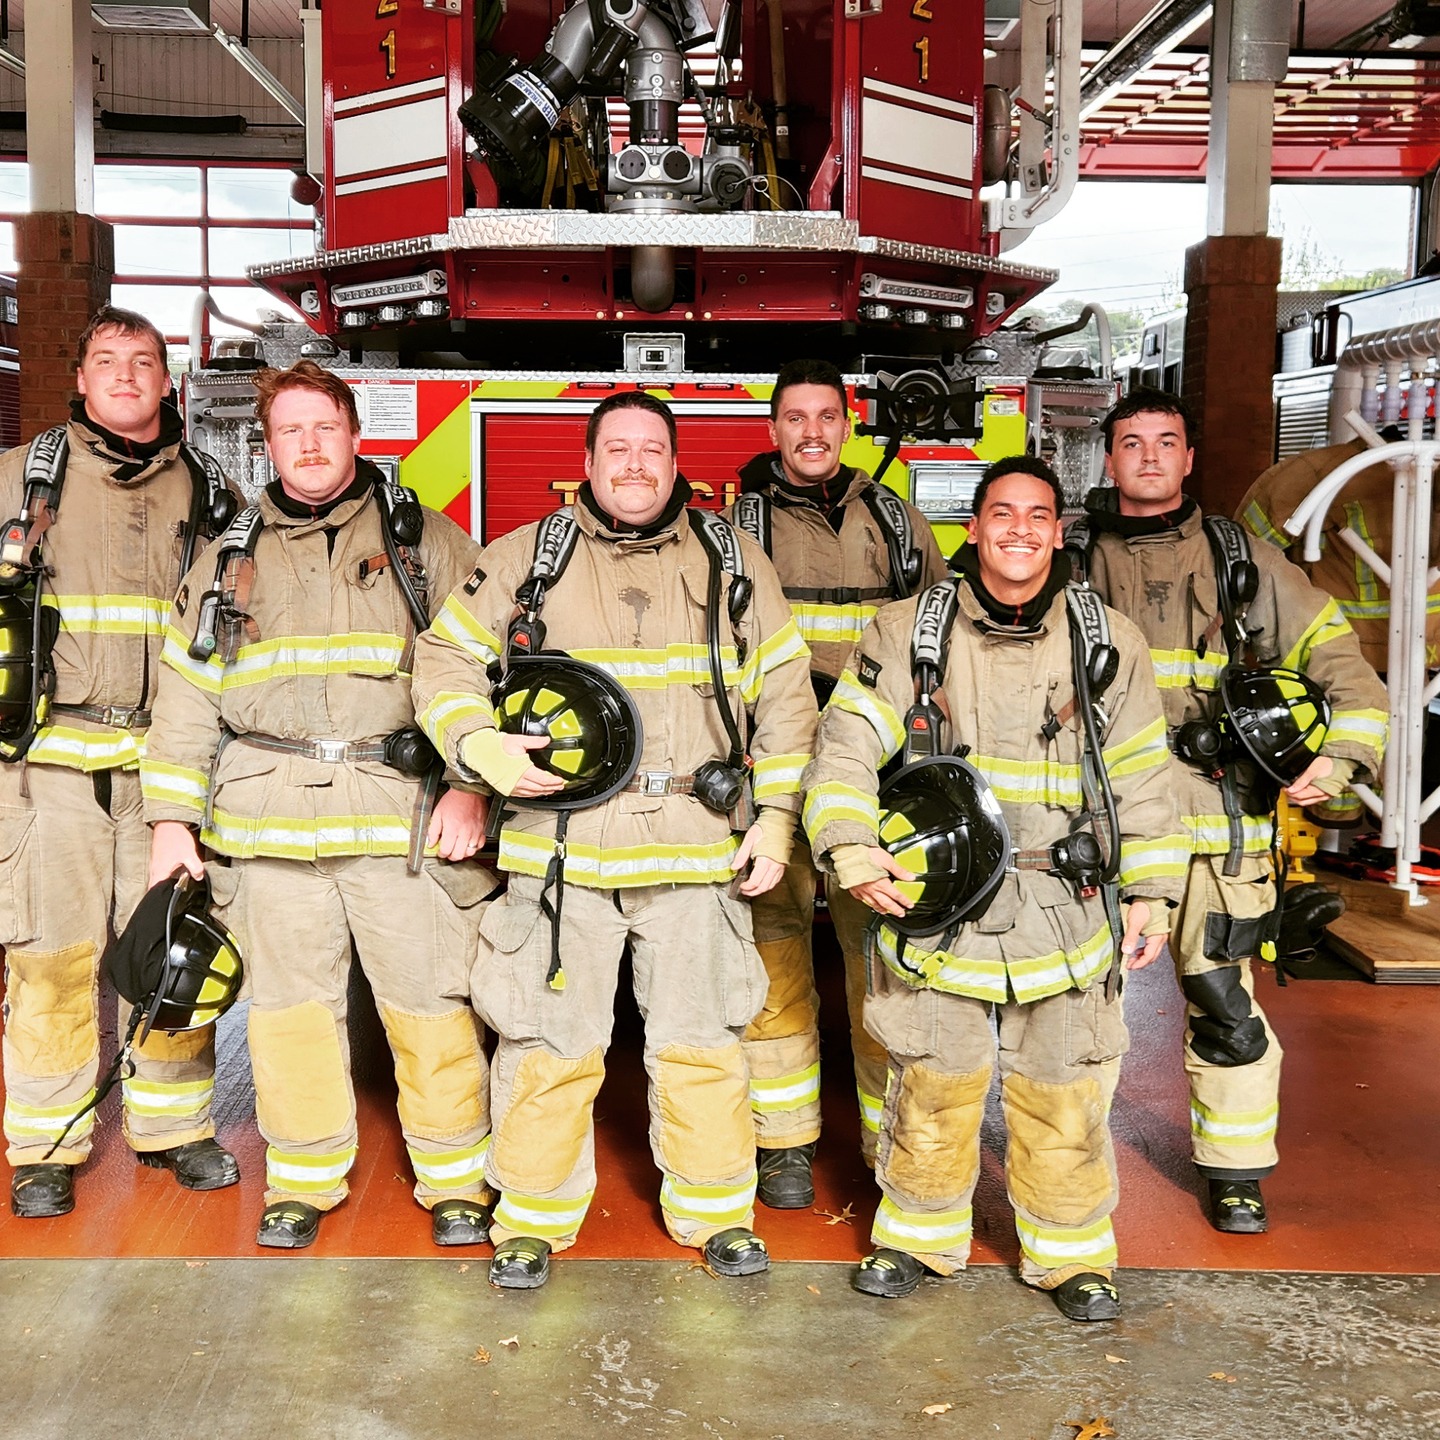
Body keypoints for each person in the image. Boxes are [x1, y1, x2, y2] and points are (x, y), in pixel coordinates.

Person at [412, 391, 817, 1288]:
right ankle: (531, 1217)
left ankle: (716, 1214)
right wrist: (475, 750)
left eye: (653, 450)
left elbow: (787, 699)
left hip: (695, 845)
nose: (635, 466)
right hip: (563, 847)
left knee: (702, 1039)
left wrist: (778, 820)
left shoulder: (732, 560)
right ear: (587, 463)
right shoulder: (525, 558)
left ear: (677, 464)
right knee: (546, 1037)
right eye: (618, 449)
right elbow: (442, 660)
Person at [803, 456, 1187, 1320]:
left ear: (1059, 531)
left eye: (1037, 515)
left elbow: (1143, 777)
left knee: (1064, 1085)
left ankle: (1073, 1256)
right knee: (933, 1080)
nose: (1019, 529)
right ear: (971, 530)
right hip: (942, 907)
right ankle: (916, 1239)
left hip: (1067, 909)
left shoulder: (1109, 641)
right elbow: (845, 749)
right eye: (1001, 513)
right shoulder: (907, 630)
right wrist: (853, 849)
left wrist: (1153, 890)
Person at [141, 360, 495, 1250]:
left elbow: (487, 671)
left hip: (400, 819)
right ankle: (303, 1178)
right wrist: (172, 822)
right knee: (289, 1014)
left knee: (431, 1004)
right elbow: (186, 695)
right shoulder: (231, 554)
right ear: (269, 446)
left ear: (356, 435)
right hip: (268, 828)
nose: (306, 445)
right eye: (289, 431)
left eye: (323, 428)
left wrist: (468, 785)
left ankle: (455, 1177)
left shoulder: (427, 542)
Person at [1076, 388, 1388, 1233]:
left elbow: (1345, 668)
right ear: (1108, 458)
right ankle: (1067, 1176)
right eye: (1130, 442)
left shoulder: (1241, 559)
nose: (1147, 456)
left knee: (1223, 1002)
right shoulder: (1066, 557)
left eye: (1165, 442)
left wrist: (1343, 754)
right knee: (1077, 1008)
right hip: (1099, 833)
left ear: (1186, 459)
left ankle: (1236, 1170)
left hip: (1222, 836)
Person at [0, 306, 243, 1219]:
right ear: (83, 380)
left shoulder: (211, 494)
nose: (127, 376)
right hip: (48, 771)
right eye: (108, 361)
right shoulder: (20, 483)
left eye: (144, 362)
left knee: (169, 958)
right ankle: (46, 1145)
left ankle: (174, 1132)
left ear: (168, 380)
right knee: (51, 961)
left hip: (166, 772)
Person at [722, 358, 948, 1207]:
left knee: (882, 961)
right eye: (795, 418)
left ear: (846, 424)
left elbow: (939, 644)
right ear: (772, 429)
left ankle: (892, 1145)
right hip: (772, 777)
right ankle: (783, 1146)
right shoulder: (733, 526)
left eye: (826, 416)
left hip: (871, 783)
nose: (811, 432)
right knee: (773, 959)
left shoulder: (897, 521)